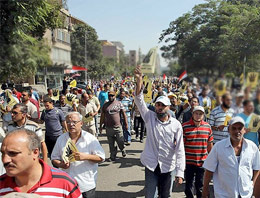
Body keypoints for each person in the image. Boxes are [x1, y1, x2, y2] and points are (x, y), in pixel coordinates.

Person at [134, 65, 185, 198]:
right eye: (158, 104)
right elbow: (139, 100)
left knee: (165, 195)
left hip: (168, 167)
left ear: (169, 107)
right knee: (150, 195)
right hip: (151, 165)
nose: (160, 107)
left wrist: (180, 172)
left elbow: (180, 149)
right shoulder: (149, 117)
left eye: (163, 105)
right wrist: (139, 80)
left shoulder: (176, 125)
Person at [0, 129, 82, 197]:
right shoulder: (1, 184)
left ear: (35, 153)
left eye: (13, 153)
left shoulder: (65, 183)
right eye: (3, 153)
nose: (5, 160)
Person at [202, 117, 260, 198]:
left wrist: (252, 185)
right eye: (234, 128)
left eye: (240, 128)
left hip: (245, 194)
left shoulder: (252, 147)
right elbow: (209, 169)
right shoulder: (219, 147)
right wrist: (205, 189)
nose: (237, 131)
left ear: (245, 130)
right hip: (224, 194)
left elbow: (256, 168)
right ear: (229, 130)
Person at [52, 112, 105, 198]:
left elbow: (101, 157)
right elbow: (54, 158)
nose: (71, 125)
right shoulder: (61, 139)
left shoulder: (90, 139)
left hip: (86, 185)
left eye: (74, 122)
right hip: (67, 185)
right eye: (68, 122)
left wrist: (86, 157)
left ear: (81, 123)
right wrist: (60, 164)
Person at [182, 106, 213, 198]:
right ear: (193, 114)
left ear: (203, 115)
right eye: (196, 113)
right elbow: (181, 146)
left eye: (200, 114)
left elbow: (210, 145)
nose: (198, 115)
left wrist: (212, 160)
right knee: (189, 186)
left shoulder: (207, 127)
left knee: (200, 186)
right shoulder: (185, 126)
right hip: (189, 161)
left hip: (203, 162)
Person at [99, 90, 127, 161]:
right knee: (111, 144)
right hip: (109, 127)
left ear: (115, 96)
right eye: (109, 96)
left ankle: (122, 149)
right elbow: (102, 116)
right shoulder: (105, 105)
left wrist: (126, 124)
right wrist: (101, 126)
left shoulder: (119, 103)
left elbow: (123, 114)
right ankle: (113, 155)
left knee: (120, 141)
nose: (111, 97)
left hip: (118, 126)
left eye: (112, 95)